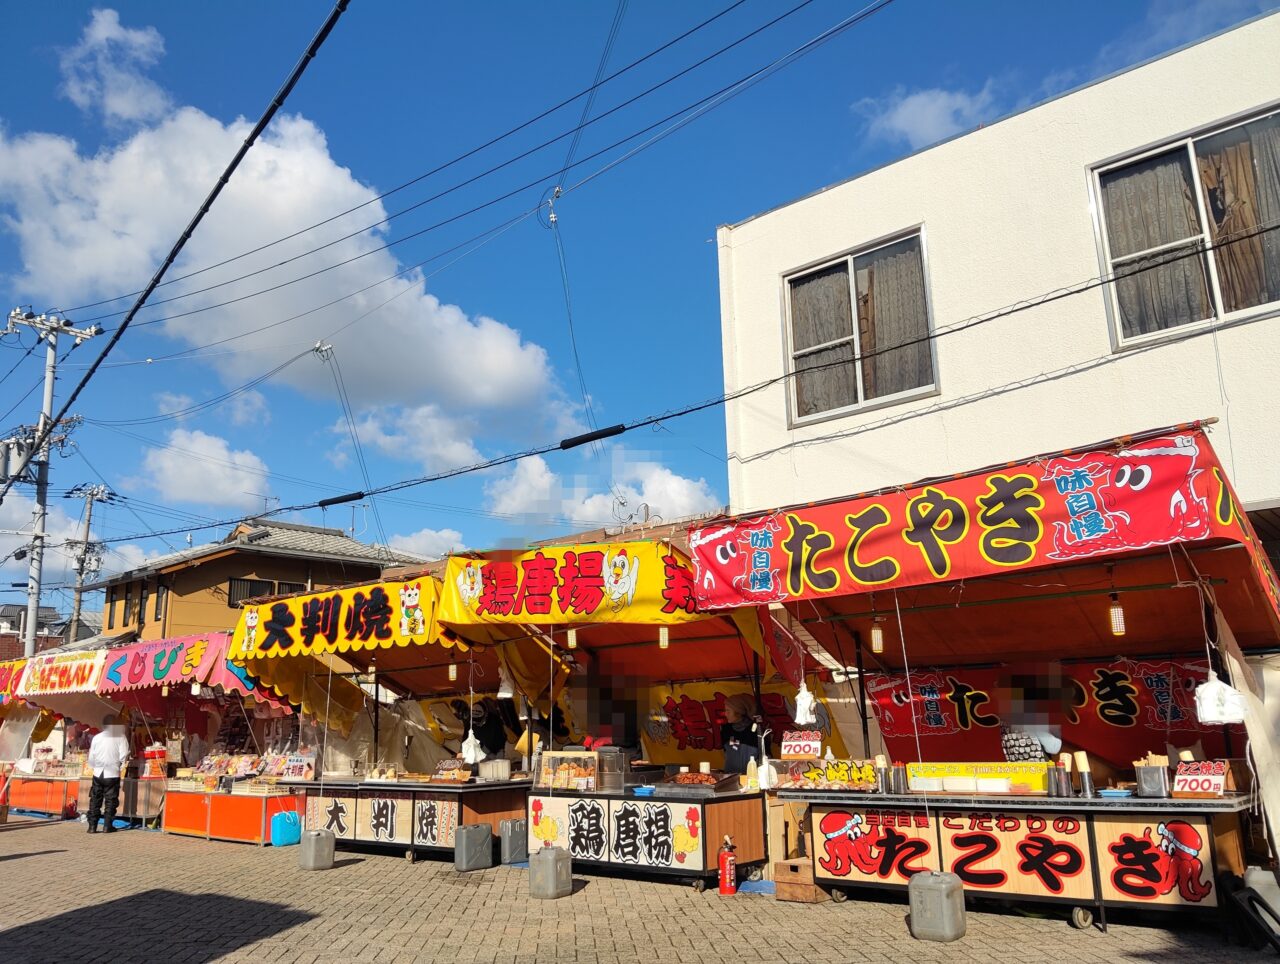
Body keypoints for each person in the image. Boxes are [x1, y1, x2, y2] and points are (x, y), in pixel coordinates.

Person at [86, 714, 130, 834]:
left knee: (95, 799)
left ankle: (92, 826)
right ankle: (107, 826)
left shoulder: (96, 737)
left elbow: (91, 757)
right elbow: (124, 755)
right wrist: (121, 765)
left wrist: (95, 767)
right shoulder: (120, 737)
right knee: (110, 800)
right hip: (112, 773)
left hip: (98, 773)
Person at [720, 694, 769, 774]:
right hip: (729, 778)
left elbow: (766, 755)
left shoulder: (757, 730)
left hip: (752, 778)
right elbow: (727, 753)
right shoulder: (726, 730)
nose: (725, 714)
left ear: (738, 712)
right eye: (725, 710)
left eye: (728, 710)